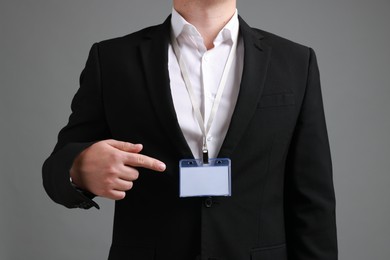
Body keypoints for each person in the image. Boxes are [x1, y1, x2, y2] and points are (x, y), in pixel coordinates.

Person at [42, 0, 338, 259]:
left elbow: (313, 203)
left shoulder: (296, 63)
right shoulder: (112, 59)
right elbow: (55, 168)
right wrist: (77, 170)